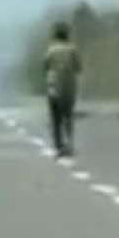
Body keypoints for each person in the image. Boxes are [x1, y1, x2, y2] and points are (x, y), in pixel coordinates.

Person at [42, 21, 83, 158]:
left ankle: (58, 145)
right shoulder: (72, 50)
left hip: (53, 88)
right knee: (68, 117)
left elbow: (45, 66)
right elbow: (79, 68)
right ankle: (69, 143)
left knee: (55, 118)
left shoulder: (51, 50)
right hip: (68, 89)